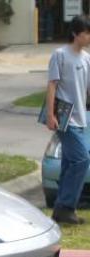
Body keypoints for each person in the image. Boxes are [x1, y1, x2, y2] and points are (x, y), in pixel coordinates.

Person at [46, 15, 90, 224]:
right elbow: (52, 85)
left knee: (68, 164)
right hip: (65, 118)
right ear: (75, 34)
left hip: (82, 119)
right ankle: (67, 206)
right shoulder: (60, 55)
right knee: (82, 160)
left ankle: (60, 210)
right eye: (86, 33)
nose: (89, 37)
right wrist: (50, 115)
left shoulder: (87, 58)